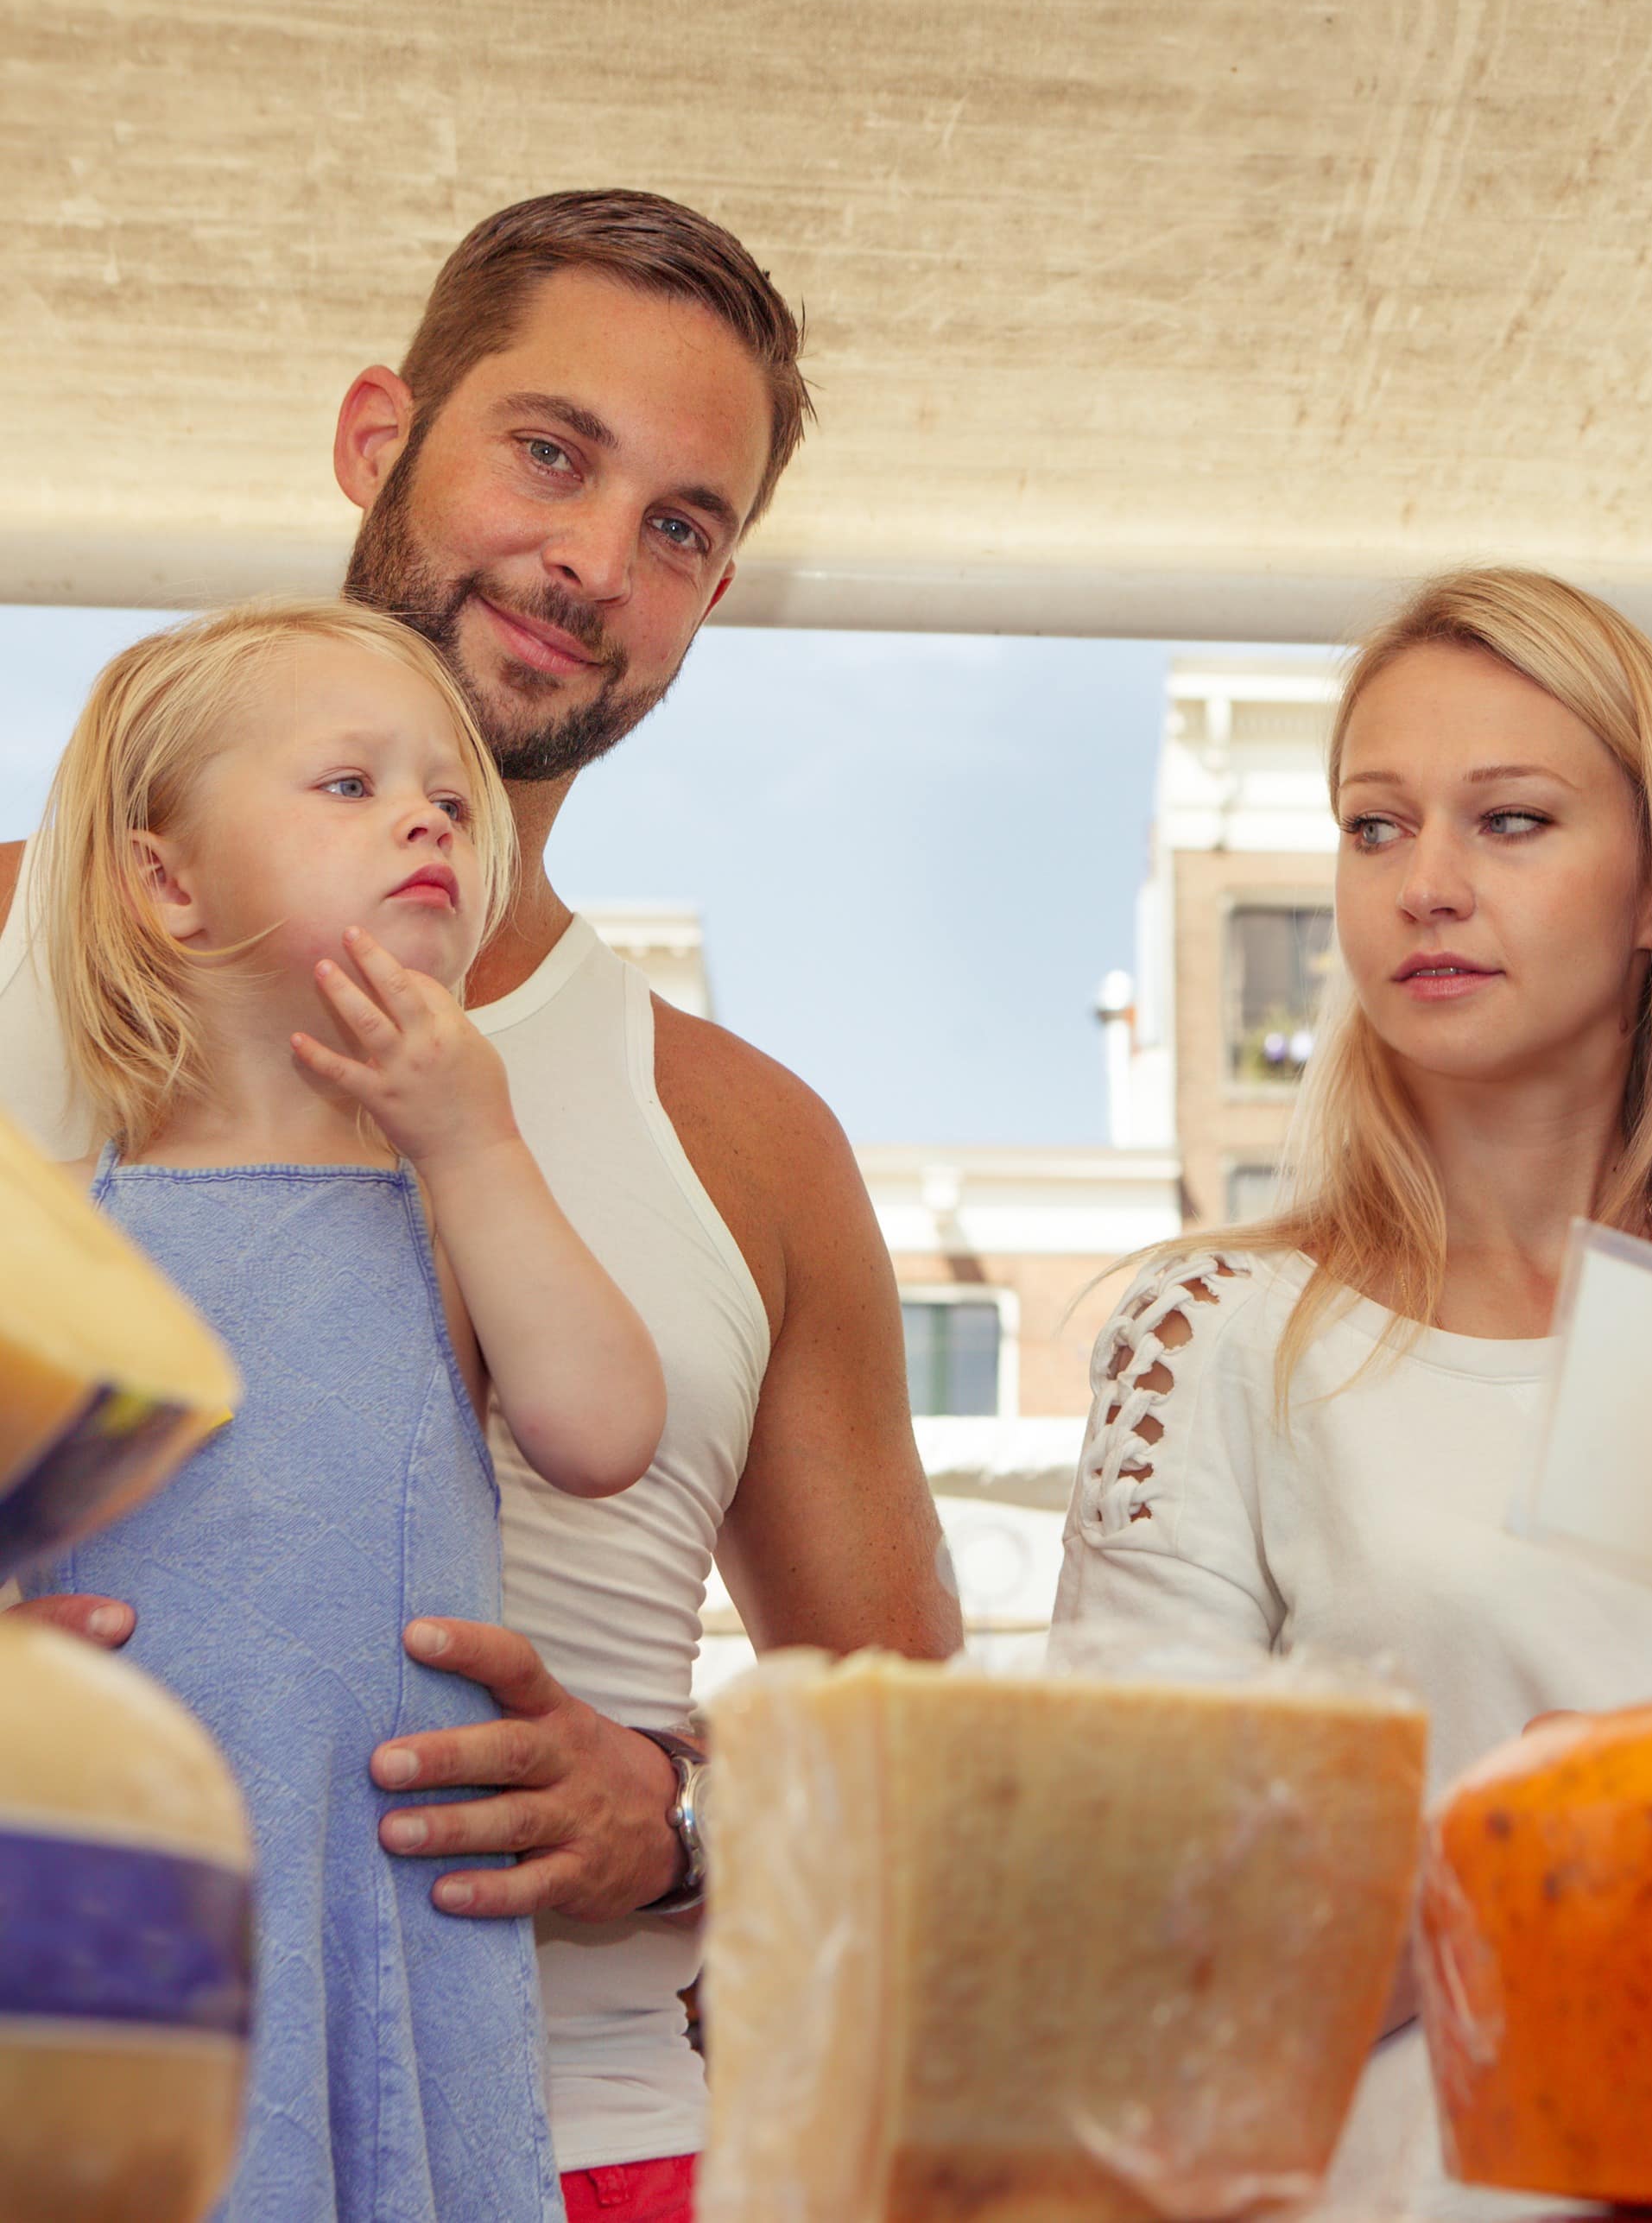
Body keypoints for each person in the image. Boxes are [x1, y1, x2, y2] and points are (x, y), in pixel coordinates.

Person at [0, 190, 962, 2220]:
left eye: (685, 527)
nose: (596, 559)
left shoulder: (749, 1139)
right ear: (378, 440)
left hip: (585, 2132)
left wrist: (675, 1815)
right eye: (550, 450)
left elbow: (922, 1761)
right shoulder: (8, 937)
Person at [1051, 567, 1652, 2205]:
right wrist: (1511, 1853)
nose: (1427, 886)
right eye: (1374, 825)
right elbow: (1128, 1981)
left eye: (1513, 821)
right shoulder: (1222, 1337)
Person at [20, 598, 668, 2220]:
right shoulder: (51, 1238)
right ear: (167, 883)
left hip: (387, 1901)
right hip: (115, 1917)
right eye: (348, 785)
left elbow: (603, 1430)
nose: (426, 817)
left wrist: (478, 1142)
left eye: (444, 796)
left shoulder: (454, 1209)